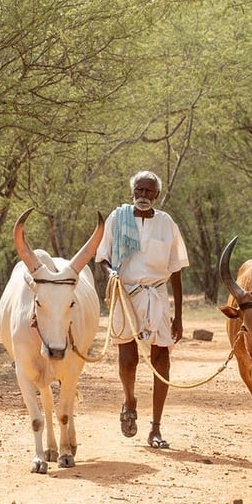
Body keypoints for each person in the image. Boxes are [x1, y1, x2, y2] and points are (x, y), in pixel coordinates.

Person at [96, 170, 189, 449]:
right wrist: (110, 272)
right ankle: (130, 400)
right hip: (125, 295)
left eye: (149, 191)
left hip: (157, 298)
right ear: (132, 192)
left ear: (157, 195)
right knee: (128, 360)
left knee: (161, 361)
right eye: (139, 190)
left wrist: (179, 317)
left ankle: (156, 429)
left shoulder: (166, 223)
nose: (143, 196)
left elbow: (175, 270)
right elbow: (102, 257)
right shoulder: (118, 218)